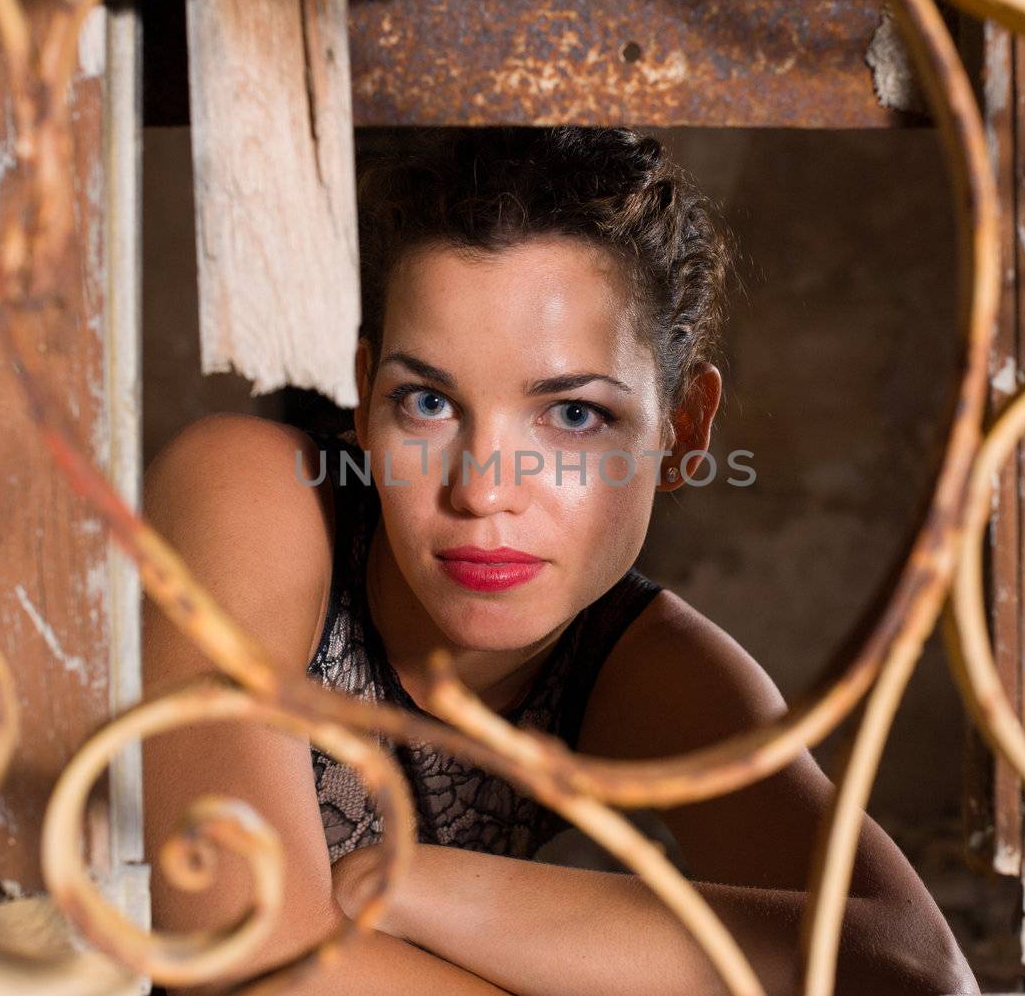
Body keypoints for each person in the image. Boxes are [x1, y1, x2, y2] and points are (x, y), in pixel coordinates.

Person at [140, 127, 977, 996]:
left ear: (684, 430)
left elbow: (914, 972)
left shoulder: (646, 667)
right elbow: (246, 964)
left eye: (573, 415)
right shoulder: (250, 490)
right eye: (426, 401)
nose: (482, 491)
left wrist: (411, 881)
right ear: (362, 399)